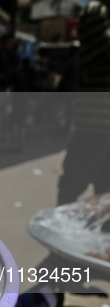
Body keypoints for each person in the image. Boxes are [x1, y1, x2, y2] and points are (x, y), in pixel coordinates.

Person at [57, 0, 110, 206]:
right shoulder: (97, 10)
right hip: (95, 117)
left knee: (105, 184)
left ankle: (102, 232)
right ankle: (58, 228)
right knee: (75, 180)